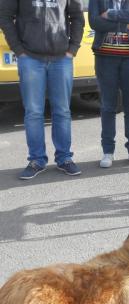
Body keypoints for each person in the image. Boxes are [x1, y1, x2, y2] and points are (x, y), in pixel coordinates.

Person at [0, 0, 84, 180]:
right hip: (30, 58)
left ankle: (65, 158)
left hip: (61, 58)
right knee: (33, 112)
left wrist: (72, 49)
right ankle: (37, 160)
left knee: (62, 110)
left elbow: (77, 17)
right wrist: (18, 50)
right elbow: (4, 16)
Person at [89, 0, 129, 169]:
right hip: (105, 58)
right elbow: (94, 22)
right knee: (108, 106)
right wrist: (125, 25)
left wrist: (110, 15)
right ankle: (108, 151)